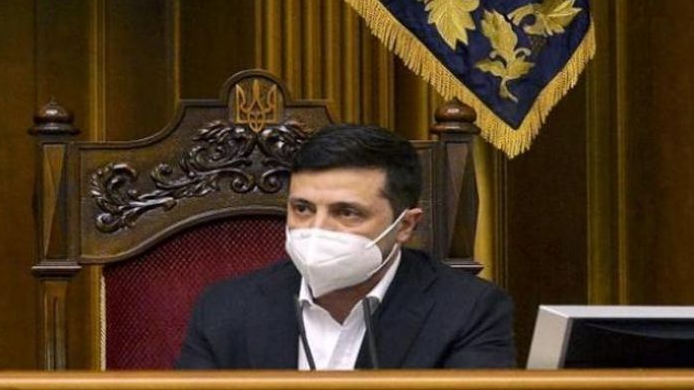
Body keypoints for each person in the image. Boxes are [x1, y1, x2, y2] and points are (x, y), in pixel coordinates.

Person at [176, 124, 515, 369]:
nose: (317, 229)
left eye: (347, 212)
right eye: (303, 208)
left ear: (405, 226)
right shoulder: (224, 309)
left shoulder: (468, 311)